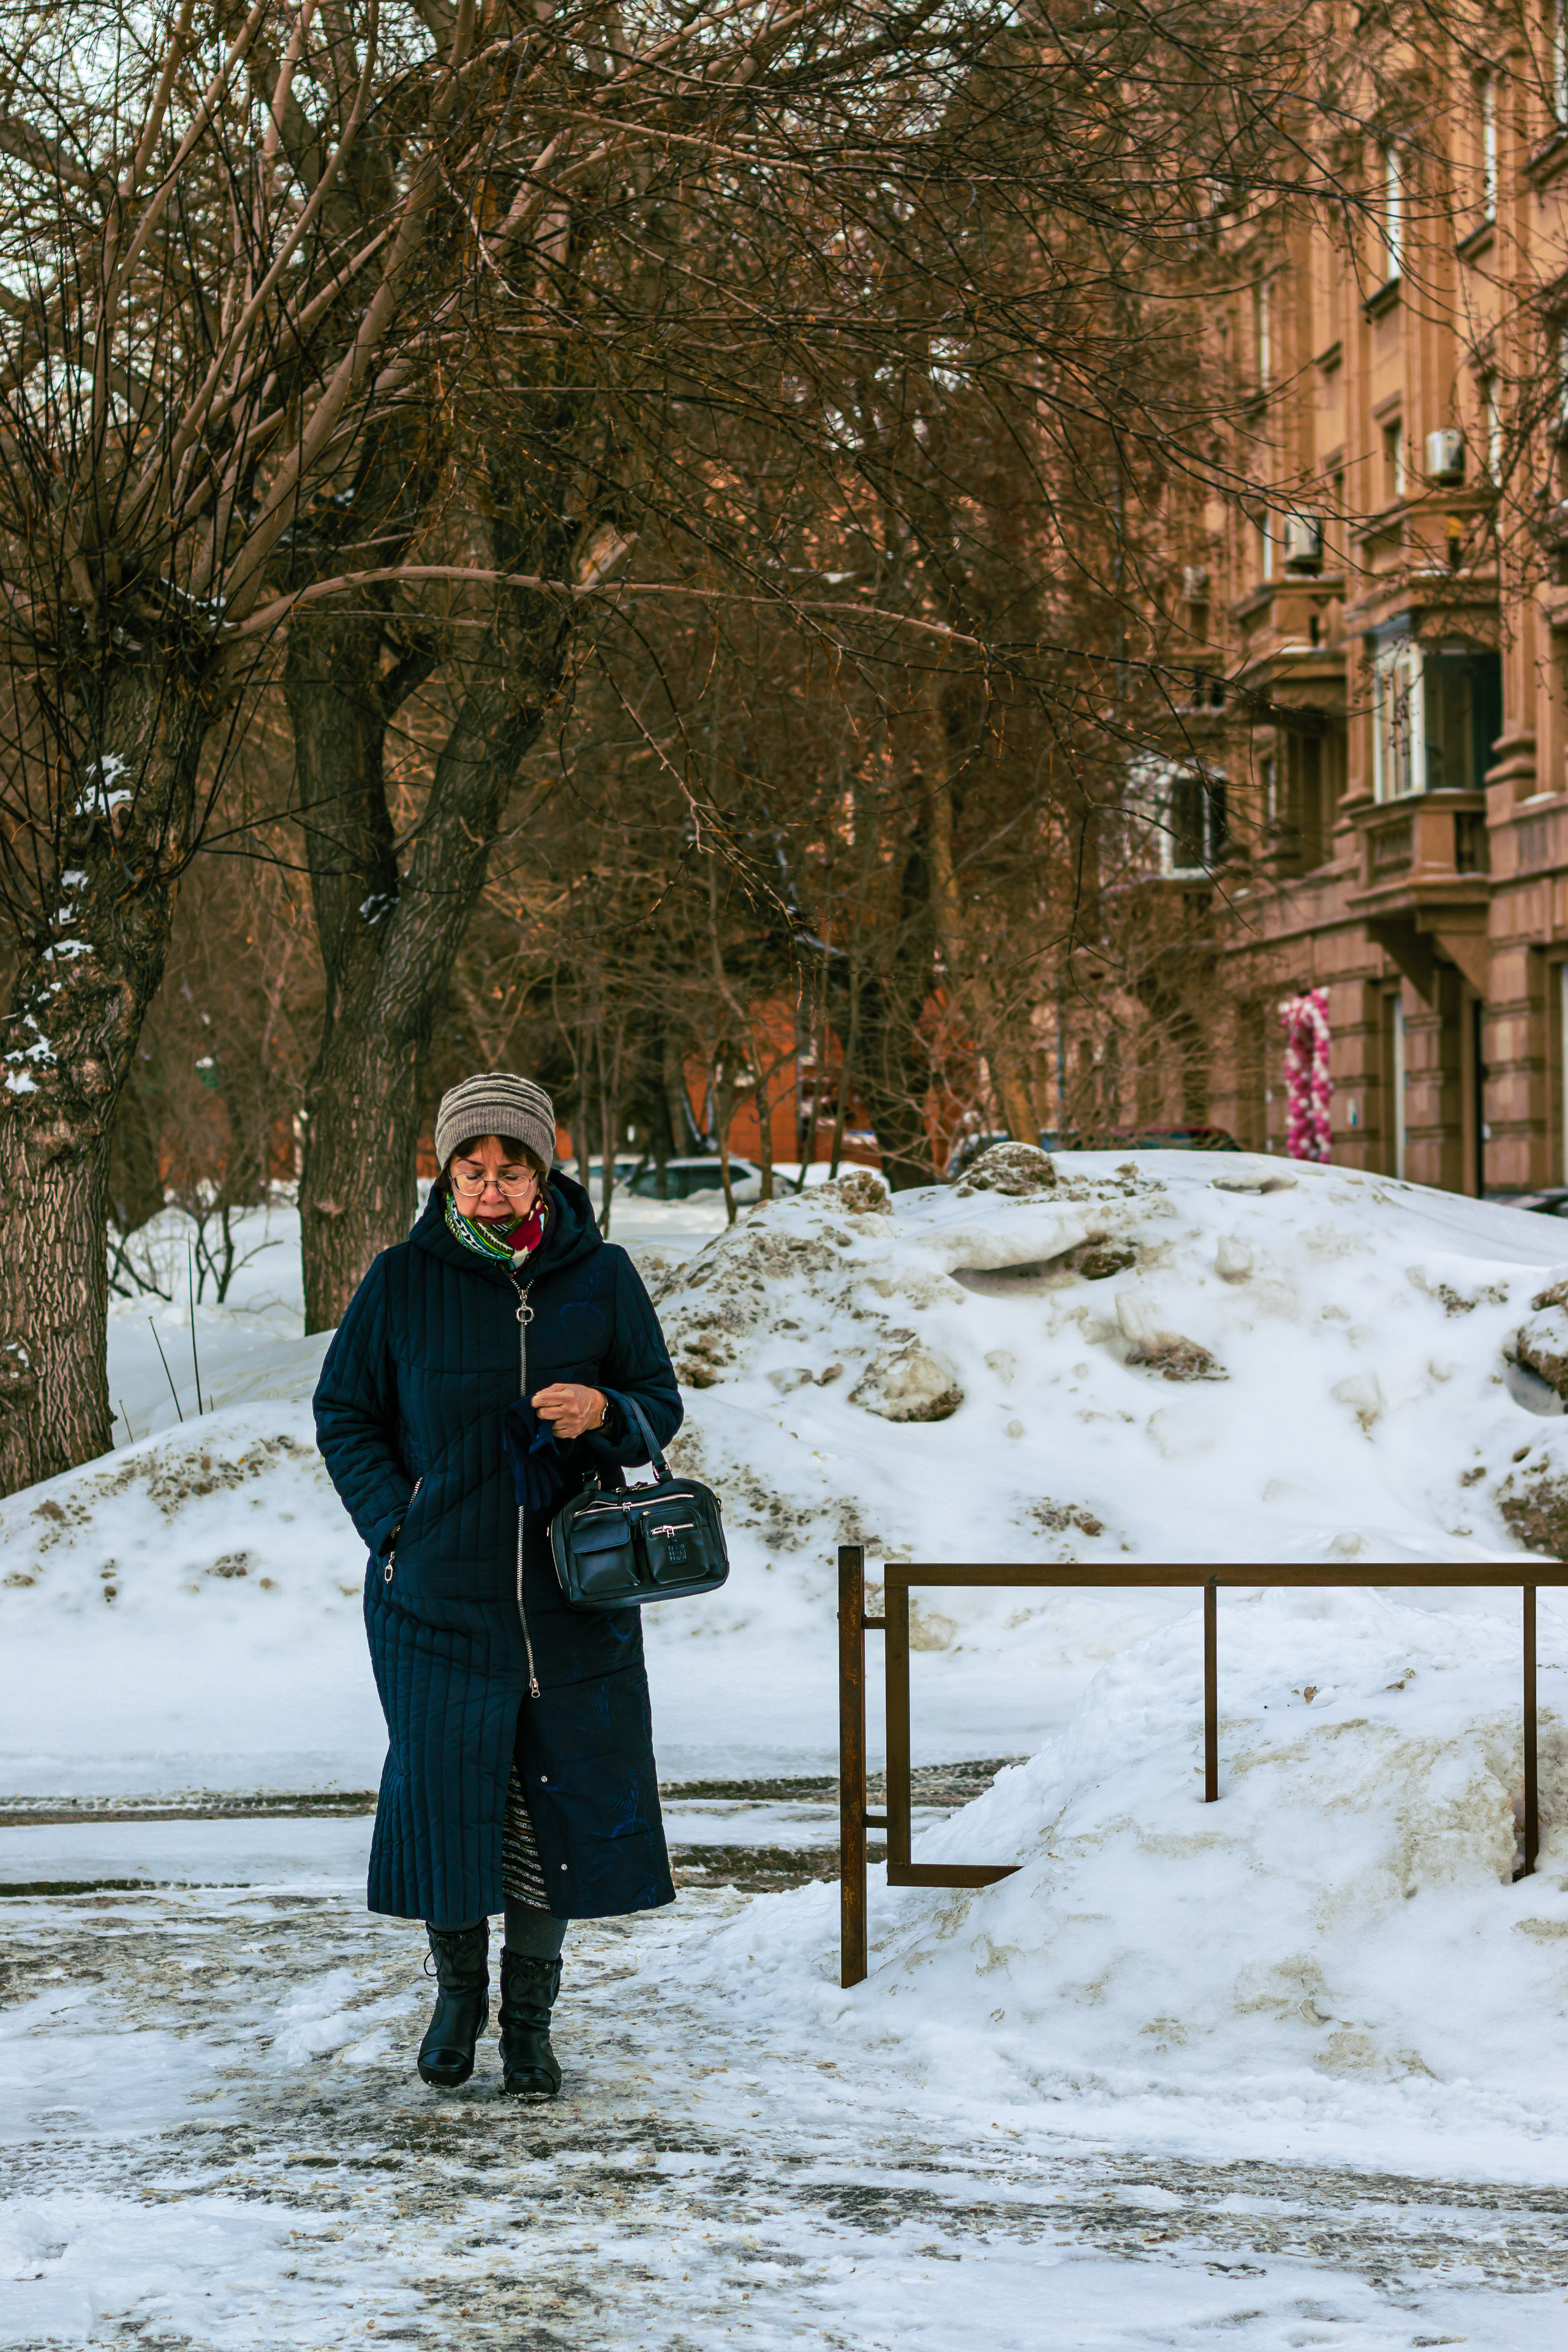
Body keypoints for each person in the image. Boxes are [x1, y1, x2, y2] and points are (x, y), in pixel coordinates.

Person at [314, 1072, 683, 2098]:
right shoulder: (401, 1278)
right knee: (446, 1797)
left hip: (575, 1593)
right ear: (445, 1176)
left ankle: (529, 2021)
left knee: (551, 1805)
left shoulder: (601, 1276)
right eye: (469, 1172)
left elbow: (660, 1398)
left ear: (542, 1173)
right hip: (436, 1595)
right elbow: (345, 1412)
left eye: (508, 1171)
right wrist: (398, 1520)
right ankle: (456, 1999)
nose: (487, 1189)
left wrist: (604, 1408)